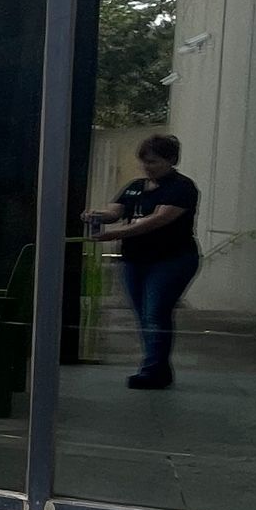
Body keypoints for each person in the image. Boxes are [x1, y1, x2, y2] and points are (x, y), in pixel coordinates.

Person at [88, 134, 200, 390]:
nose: (148, 167)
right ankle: (157, 366)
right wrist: (97, 216)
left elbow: (157, 220)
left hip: (172, 260)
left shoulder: (181, 187)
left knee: (155, 313)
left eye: (154, 162)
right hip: (135, 259)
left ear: (171, 160)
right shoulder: (136, 186)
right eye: (144, 162)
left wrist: (116, 233)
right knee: (143, 314)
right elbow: (115, 211)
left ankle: (153, 370)